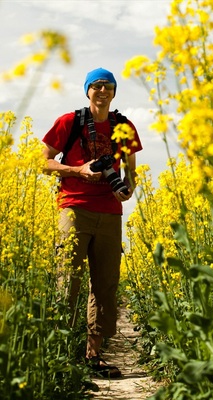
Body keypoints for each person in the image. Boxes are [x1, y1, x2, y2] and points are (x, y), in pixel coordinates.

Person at [42, 67, 142, 378]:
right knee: (67, 281)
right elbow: (43, 161)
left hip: (110, 212)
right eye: (96, 85)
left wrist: (128, 187)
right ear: (87, 90)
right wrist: (79, 170)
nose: (102, 91)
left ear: (114, 92)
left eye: (108, 86)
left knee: (105, 286)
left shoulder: (123, 126)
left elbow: (131, 168)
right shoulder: (69, 122)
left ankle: (93, 356)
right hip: (74, 208)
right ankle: (62, 355)